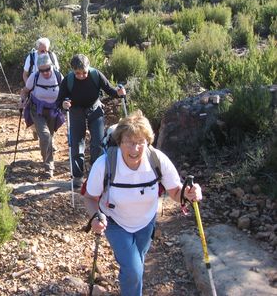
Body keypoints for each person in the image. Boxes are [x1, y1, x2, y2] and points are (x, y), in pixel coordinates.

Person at [83, 110, 203, 296]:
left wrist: (190, 194)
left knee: (135, 265)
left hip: (146, 223)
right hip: (115, 222)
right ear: (120, 142)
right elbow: (90, 197)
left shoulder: (157, 160)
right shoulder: (105, 164)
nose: (135, 148)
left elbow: (176, 192)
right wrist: (95, 217)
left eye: (141, 142)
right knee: (133, 270)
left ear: (148, 142)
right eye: (129, 142)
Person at [56, 54, 125, 188]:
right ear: (72, 70)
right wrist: (64, 104)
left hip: (95, 109)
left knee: (98, 142)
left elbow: (110, 90)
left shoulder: (96, 75)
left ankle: (95, 172)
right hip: (76, 111)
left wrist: (119, 92)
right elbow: (59, 100)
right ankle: (78, 176)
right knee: (76, 144)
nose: (81, 75)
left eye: (84, 73)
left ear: (89, 68)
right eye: (78, 73)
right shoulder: (68, 80)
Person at [21, 53, 65, 177]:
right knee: (45, 136)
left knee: (49, 137)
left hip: (53, 111)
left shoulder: (57, 76)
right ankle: (49, 167)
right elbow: (25, 91)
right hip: (37, 110)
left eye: (47, 69)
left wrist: (66, 101)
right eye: (42, 70)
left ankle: (46, 160)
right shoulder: (34, 77)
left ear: (51, 66)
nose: (45, 73)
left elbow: (65, 91)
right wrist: (22, 100)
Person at [22, 38, 60, 141]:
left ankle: (50, 141)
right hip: (34, 88)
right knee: (35, 113)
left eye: (46, 50)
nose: (44, 52)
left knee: (52, 118)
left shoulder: (52, 56)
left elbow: (56, 72)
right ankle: (36, 131)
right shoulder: (31, 57)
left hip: (50, 90)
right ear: (37, 48)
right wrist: (30, 88)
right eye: (42, 50)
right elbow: (25, 74)